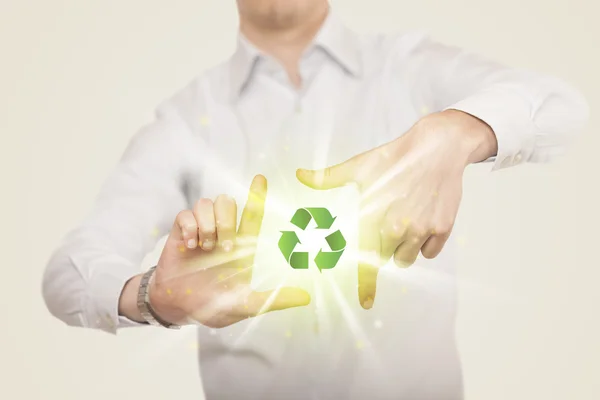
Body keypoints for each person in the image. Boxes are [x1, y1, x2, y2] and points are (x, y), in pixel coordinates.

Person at [42, 1, 589, 399]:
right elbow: (69, 271)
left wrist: (457, 132)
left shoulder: (407, 66)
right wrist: (153, 298)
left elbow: (564, 107)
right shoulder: (184, 121)